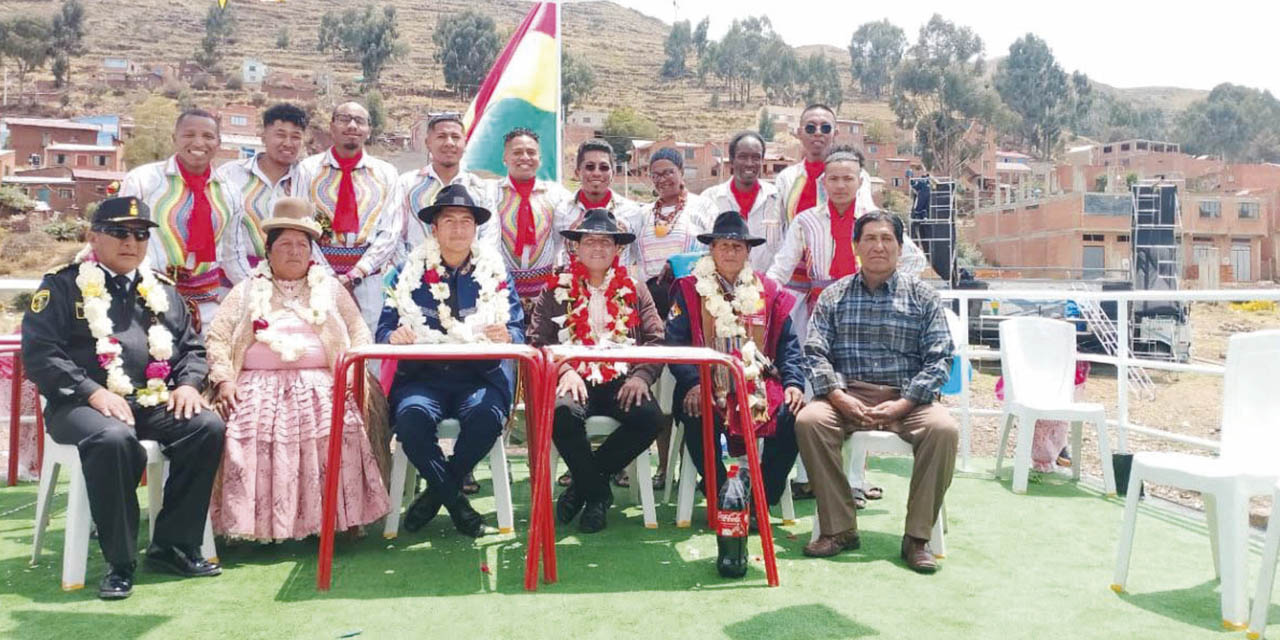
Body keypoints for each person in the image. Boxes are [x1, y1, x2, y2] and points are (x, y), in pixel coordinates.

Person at [22, 196, 226, 599]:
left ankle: (173, 545)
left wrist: (187, 384)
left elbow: (192, 349)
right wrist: (92, 392)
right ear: (93, 236)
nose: (130, 242)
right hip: (79, 406)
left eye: (139, 234)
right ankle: (120, 562)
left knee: (206, 426)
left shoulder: (162, 291)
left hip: (149, 400)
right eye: (118, 232)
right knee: (112, 439)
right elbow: (40, 353)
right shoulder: (62, 286)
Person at [205, 198, 390, 541]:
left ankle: (337, 522)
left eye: (302, 245)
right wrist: (224, 379)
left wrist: (352, 375)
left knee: (341, 423)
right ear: (269, 251)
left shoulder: (330, 288)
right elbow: (217, 336)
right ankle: (255, 527)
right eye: (285, 245)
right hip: (253, 386)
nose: (293, 252)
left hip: (325, 382)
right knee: (241, 427)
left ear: (312, 253)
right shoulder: (247, 291)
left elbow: (359, 332)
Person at [795, 211, 957, 573]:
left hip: (907, 398)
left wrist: (903, 404)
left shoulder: (923, 296)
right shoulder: (834, 295)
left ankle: (917, 538)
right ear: (855, 247)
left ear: (900, 248)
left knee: (943, 429)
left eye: (887, 239)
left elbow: (940, 359)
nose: (878, 246)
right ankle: (840, 529)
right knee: (809, 420)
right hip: (846, 395)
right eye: (869, 239)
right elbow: (815, 351)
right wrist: (837, 396)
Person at [378, 184, 524, 537]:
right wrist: (393, 336)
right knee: (411, 419)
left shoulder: (496, 274)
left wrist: (508, 335)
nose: (458, 229)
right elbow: (384, 329)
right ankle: (457, 504)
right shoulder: (405, 273)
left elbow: (518, 330)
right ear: (434, 228)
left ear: (475, 229)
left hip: (479, 378)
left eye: (466, 221)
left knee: (487, 416)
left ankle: (434, 497)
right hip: (423, 378)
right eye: (449, 221)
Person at [527, 209, 663, 532]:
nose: (598, 248)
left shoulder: (635, 287)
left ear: (618, 249)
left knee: (650, 418)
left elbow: (657, 340)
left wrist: (641, 376)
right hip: (575, 380)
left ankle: (583, 487)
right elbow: (537, 341)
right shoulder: (555, 288)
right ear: (576, 248)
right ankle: (598, 495)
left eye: (607, 242)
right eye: (590, 241)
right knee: (561, 414)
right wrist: (564, 370)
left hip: (621, 380)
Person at [665, 212, 805, 524]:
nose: (730, 252)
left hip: (756, 383)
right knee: (695, 410)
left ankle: (760, 500)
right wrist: (691, 383)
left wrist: (794, 382)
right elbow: (674, 343)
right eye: (723, 245)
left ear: (748, 252)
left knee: (793, 413)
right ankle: (721, 494)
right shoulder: (688, 289)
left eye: (737, 247)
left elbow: (789, 345)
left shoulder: (768, 290)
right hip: (704, 380)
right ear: (711, 249)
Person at [119, 108, 251, 330]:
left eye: (208, 136)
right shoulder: (143, 181)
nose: (199, 143)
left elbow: (233, 257)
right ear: (174, 139)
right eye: (189, 135)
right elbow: (120, 242)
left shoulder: (230, 193)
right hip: (147, 302)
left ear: (218, 143)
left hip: (206, 308)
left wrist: (260, 295)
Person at [294, 101, 406, 331]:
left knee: (369, 343)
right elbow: (300, 226)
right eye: (344, 119)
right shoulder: (307, 170)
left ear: (369, 130)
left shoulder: (386, 173)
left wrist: (356, 273)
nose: (352, 126)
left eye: (360, 121)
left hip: (368, 277)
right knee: (319, 341)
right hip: (317, 277)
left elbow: (391, 231)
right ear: (332, 126)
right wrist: (329, 276)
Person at [624, 147, 717, 319]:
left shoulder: (703, 206)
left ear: (681, 172)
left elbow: (716, 250)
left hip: (690, 296)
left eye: (668, 173)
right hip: (650, 303)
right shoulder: (643, 214)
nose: (662, 180)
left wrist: (677, 263)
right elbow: (627, 257)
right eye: (656, 175)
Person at [214, 103, 309, 268]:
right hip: (232, 277)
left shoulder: (307, 180)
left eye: (295, 137)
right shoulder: (230, 175)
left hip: (290, 278)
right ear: (263, 136)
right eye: (280, 135)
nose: (288, 143)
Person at [486, 128, 573, 306]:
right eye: (517, 152)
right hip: (500, 293)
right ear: (505, 158)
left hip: (545, 294)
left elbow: (566, 234)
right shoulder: (490, 192)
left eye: (531, 152)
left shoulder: (556, 194)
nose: (525, 157)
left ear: (539, 159)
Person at [399, 113, 495, 257]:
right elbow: (396, 235)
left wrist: (477, 270)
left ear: (465, 142)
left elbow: (489, 237)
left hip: (469, 274)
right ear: (428, 143)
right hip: (415, 274)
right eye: (441, 136)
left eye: (455, 137)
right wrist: (410, 270)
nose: (449, 143)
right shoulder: (407, 184)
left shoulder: (480, 188)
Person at [700, 131, 783, 272]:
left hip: (767, 287)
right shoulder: (710, 199)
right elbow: (702, 249)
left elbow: (785, 251)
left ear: (762, 160)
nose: (749, 163)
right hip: (720, 289)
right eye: (743, 157)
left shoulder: (777, 199)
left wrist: (770, 285)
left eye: (756, 157)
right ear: (732, 160)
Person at [554, 139, 639, 264]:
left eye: (604, 167)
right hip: (573, 282)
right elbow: (553, 254)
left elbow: (639, 259)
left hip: (618, 283)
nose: (597, 173)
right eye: (590, 167)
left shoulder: (632, 212)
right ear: (577, 172)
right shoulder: (562, 211)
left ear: (613, 173)